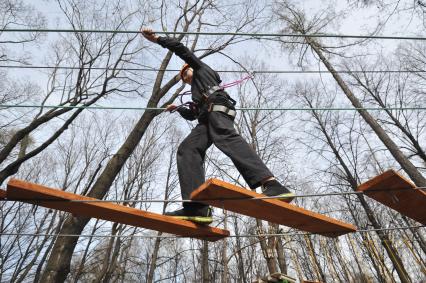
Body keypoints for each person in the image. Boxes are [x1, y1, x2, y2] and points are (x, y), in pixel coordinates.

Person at [141, 28, 294, 224]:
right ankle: (196, 206)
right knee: (188, 149)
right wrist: (178, 109)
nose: (185, 78)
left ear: (190, 67)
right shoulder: (196, 93)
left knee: (225, 136)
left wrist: (158, 39)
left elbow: (182, 50)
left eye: (185, 73)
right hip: (207, 118)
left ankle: (272, 184)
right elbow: (193, 115)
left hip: (218, 109)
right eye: (183, 78)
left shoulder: (201, 69)